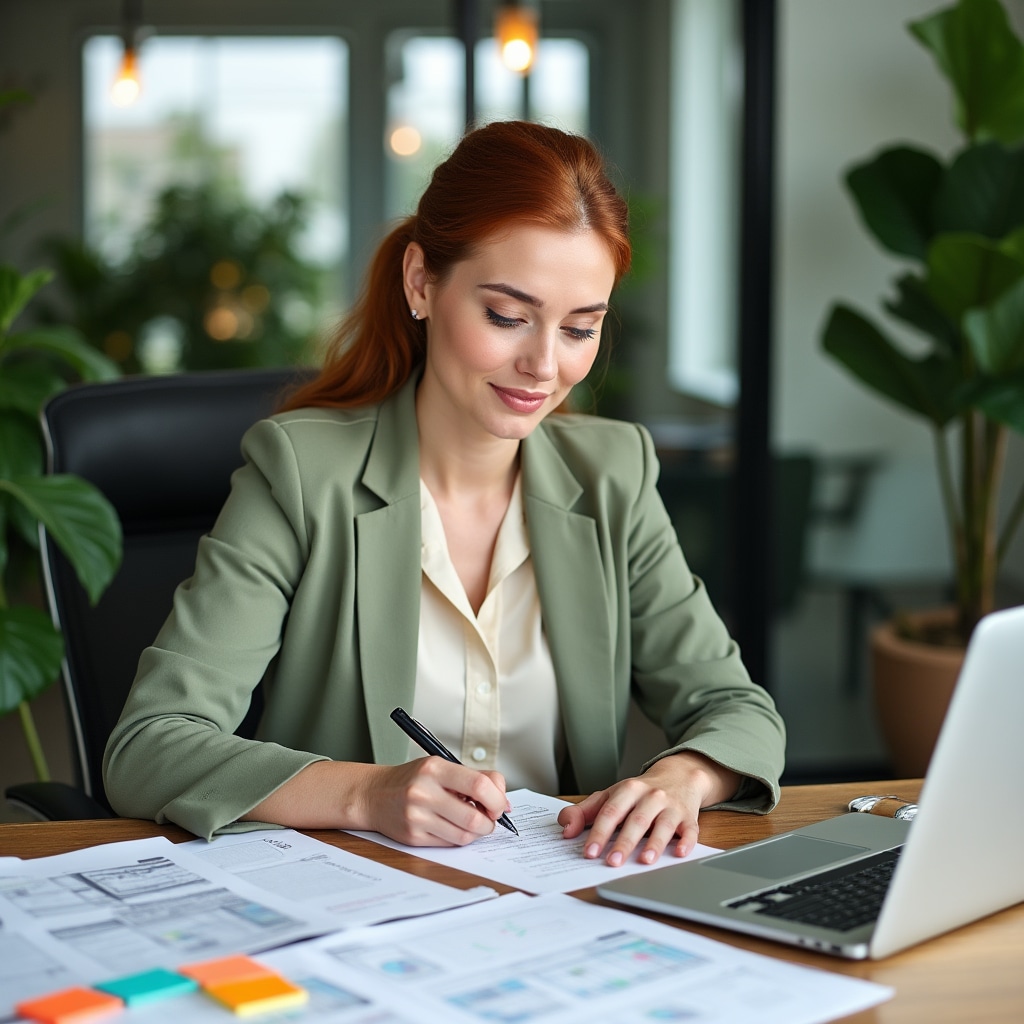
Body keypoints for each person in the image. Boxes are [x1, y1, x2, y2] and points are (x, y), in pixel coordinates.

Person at [104, 120, 785, 867]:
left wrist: (681, 779)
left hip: (561, 909)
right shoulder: (302, 473)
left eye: (580, 330)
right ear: (421, 282)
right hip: (357, 908)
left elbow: (736, 709)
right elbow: (150, 745)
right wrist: (366, 794)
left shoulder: (612, 474)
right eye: (507, 317)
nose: (543, 366)